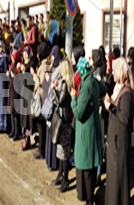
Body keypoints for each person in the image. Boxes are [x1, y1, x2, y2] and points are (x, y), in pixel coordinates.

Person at [70, 56, 104, 205]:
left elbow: (78, 113)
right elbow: (103, 88)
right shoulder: (93, 81)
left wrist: (73, 98)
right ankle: (89, 197)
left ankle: (90, 200)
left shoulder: (86, 86)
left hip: (86, 131)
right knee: (88, 168)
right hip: (92, 128)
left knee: (87, 169)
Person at [102, 57, 134, 205]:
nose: (112, 72)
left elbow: (125, 117)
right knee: (113, 177)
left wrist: (111, 107)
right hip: (115, 141)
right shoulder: (118, 88)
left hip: (119, 143)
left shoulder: (126, 93)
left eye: (115, 69)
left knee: (118, 176)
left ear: (120, 71)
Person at [52, 59, 74, 193]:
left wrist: (55, 90)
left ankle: (65, 178)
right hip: (65, 118)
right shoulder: (65, 82)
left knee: (64, 151)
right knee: (61, 149)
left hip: (64, 120)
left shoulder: (65, 83)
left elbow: (60, 101)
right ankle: (60, 174)